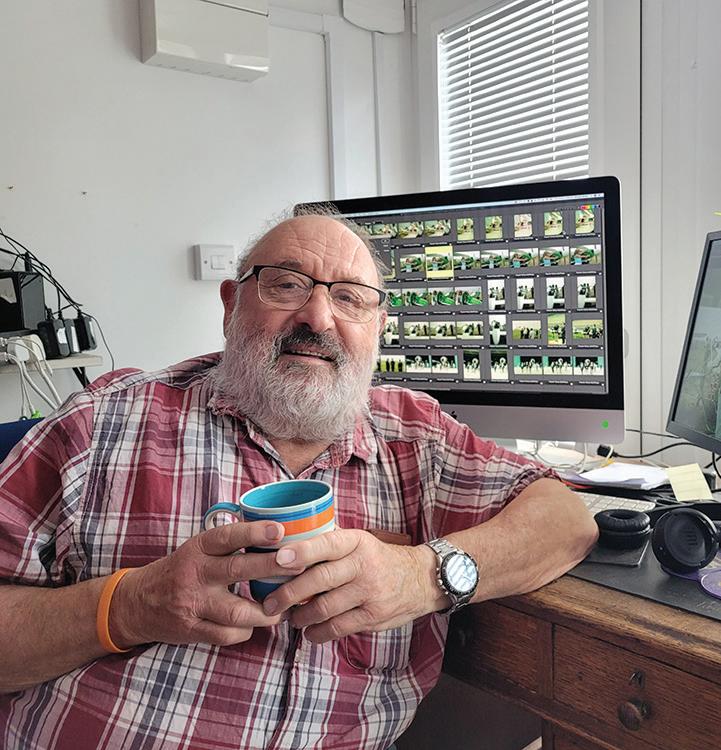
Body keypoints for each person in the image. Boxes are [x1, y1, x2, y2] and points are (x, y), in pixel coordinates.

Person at [0, 212, 597, 749]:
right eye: (286, 285)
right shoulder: (100, 425)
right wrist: (130, 607)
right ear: (231, 304)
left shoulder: (419, 438)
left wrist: (421, 577)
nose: (317, 316)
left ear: (378, 325)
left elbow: (567, 519)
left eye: (350, 298)